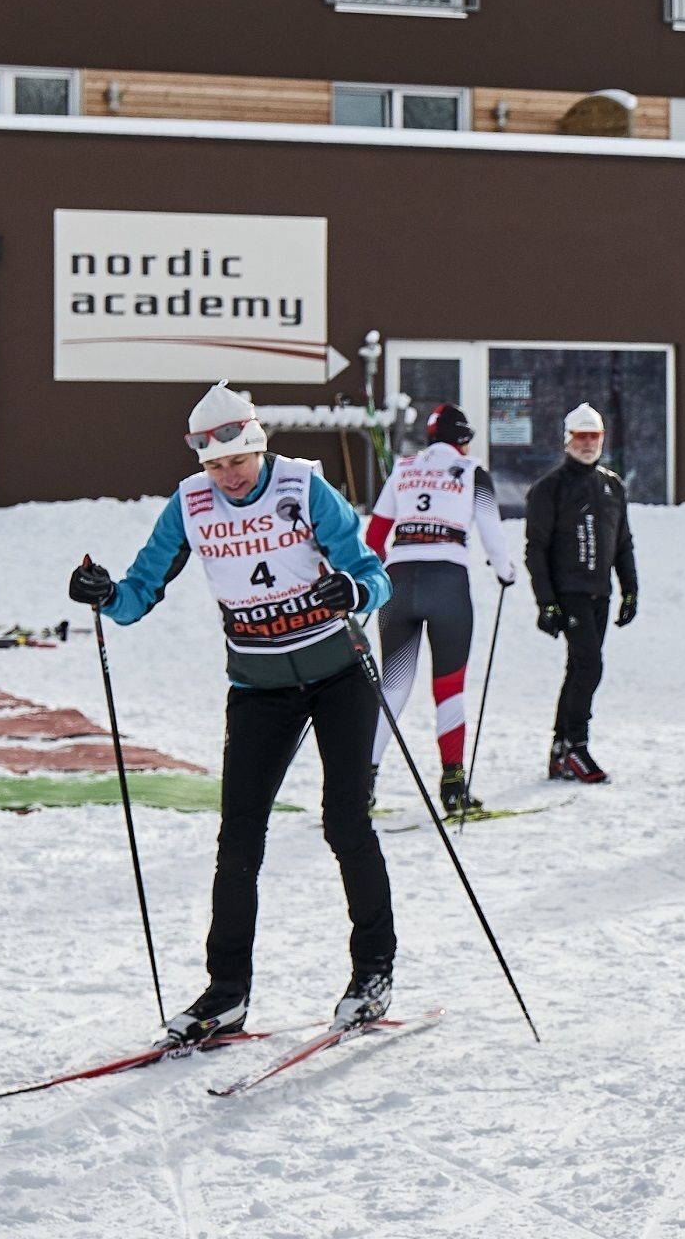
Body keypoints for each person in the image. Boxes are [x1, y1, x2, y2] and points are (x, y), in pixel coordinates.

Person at [65, 385, 397, 1040]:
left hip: (338, 674)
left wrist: (353, 589)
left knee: (344, 822)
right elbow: (138, 592)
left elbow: (374, 574)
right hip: (259, 683)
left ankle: (372, 972)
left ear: (258, 443)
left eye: (238, 458)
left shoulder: (303, 488)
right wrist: (103, 595)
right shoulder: (189, 505)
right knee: (238, 837)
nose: (228, 475)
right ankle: (226, 991)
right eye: (215, 465)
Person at [364, 402, 520, 818]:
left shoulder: (403, 468)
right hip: (447, 584)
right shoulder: (473, 473)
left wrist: (363, 581)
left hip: (398, 582)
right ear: (464, 442)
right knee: (448, 688)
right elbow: (492, 534)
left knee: (393, 686)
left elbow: (376, 535)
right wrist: (505, 573)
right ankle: (453, 785)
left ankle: (362, 782)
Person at [522, 404, 638, 784]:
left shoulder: (612, 485)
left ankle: (560, 750)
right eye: (581, 436)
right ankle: (577, 744)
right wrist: (546, 601)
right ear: (567, 439)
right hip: (567, 592)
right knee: (590, 665)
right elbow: (535, 548)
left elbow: (622, 543)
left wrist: (630, 589)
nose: (588, 443)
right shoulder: (549, 488)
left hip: (598, 593)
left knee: (579, 668)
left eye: (594, 436)